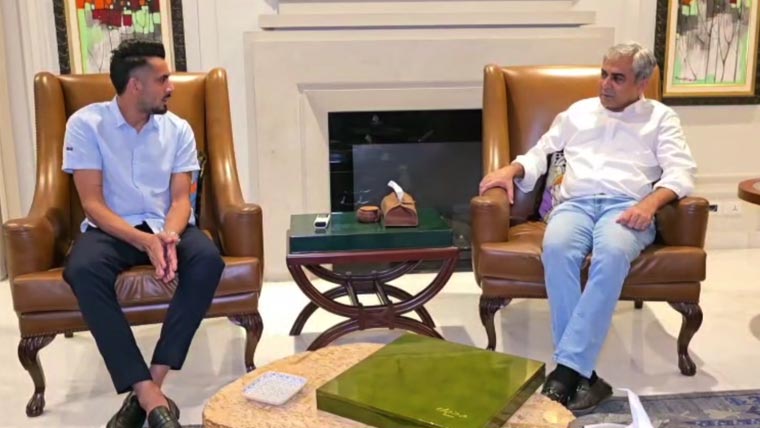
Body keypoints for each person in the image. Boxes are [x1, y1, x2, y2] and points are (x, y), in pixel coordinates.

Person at [479, 42, 697, 413]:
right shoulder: (578, 112)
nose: (605, 84)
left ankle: (566, 371)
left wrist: (649, 204)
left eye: (617, 78)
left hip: (626, 208)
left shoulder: (661, 119)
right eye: (603, 74)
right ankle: (584, 375)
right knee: (557, 249)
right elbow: (541, 152)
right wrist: (510, 170)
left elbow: (682, 173)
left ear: (641, 83)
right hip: (574, 205)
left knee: (611, 255)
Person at [62, 39, 225, 428]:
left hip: (165, 224)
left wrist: (167, 237)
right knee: (82, 269)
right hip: (111, 227)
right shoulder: (86, 125)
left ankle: (150, 386)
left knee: (208, 260)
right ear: (135, 85)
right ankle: (151, 396)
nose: (171, 86)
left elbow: (181, 199)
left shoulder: (178, 129)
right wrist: (144, 242)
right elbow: (92, 204)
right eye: (162, 79)